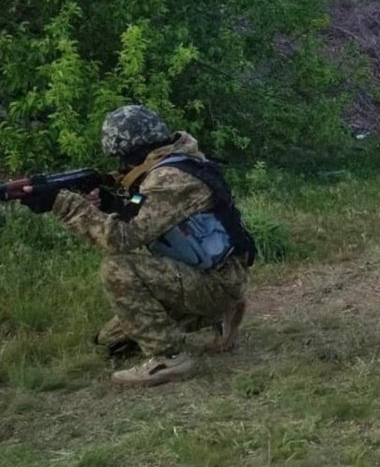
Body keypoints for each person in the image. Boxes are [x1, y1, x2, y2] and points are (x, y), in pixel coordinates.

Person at [17, 105, 256, 386]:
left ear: (132, 150)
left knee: (118, 268)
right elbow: (142, 211)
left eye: (123, 158)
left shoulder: (169, 178)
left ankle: (169, 358)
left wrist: (63, 204)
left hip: (216, 281)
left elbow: (120, 239)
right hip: (215, 272)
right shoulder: (179, 160)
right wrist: (107, 203)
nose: (123, 166)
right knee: (114, 340)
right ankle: (221, 311)